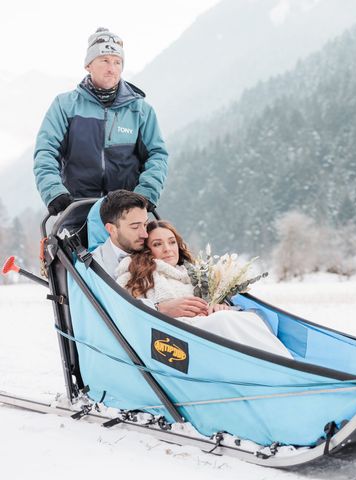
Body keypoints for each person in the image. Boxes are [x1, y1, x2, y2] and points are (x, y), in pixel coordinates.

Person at [34, 27, 168, 229]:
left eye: (117, 62)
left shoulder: (140, 110)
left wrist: (145, 194)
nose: (111, 68)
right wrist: (54, 192)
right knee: (72, 259)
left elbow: (157, 155)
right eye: (104, 60)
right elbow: (46, 151)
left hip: (126, 212)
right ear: (89, 65)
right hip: (76, 207)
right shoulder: (65, 105)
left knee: (137, 260)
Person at [115, 220, 292, 358]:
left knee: (249, 318)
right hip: (176, 334)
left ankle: (283, 363)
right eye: (157, 244)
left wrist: (220, 306)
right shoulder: (139, 272)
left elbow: (213, 301)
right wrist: (160, 309)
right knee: (224, 321)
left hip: (207, 323)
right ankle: (284, 368)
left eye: (172, 242)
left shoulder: (195, 273)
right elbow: (122, 308)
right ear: (147, 250)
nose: (168, 249)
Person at [94, 190, 209, 318]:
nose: (145, 234)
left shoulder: (155, 254)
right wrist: (158, 309)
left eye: (145, 224)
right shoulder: (95, 265)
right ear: (112, 229)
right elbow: (107, 309)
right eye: (135, 227)